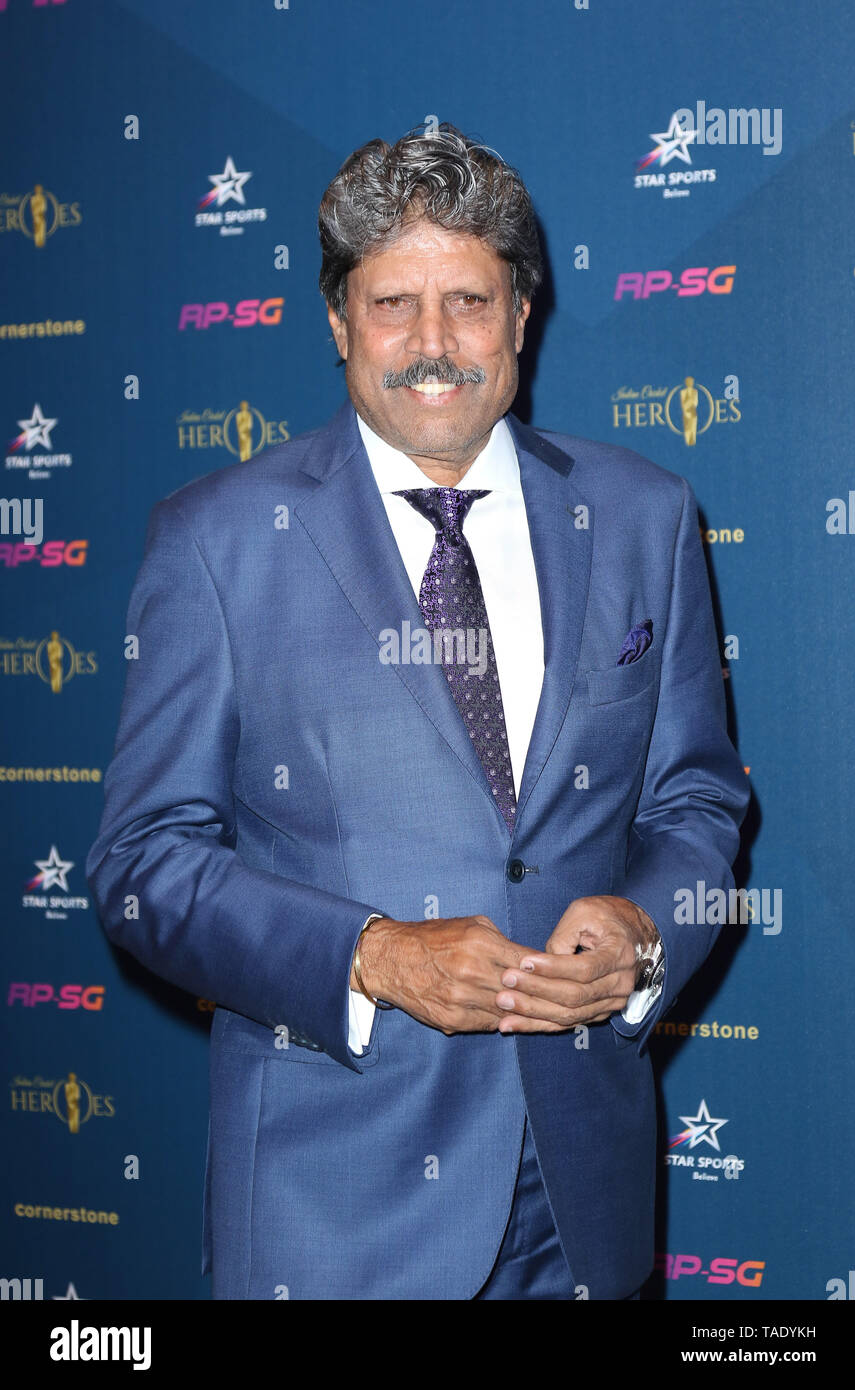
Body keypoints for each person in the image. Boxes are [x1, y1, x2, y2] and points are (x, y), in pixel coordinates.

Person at [87, 123, 749, 1301]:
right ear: (338, 322)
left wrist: (645, 933)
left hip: (584, 1206)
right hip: (333, 1216)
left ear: (521, 317)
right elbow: (142, 864)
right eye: (393, 303)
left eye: (467, 301)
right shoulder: (218, 543)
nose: (432, 346)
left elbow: (696, 797)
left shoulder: (643, 515)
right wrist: (373, 955)